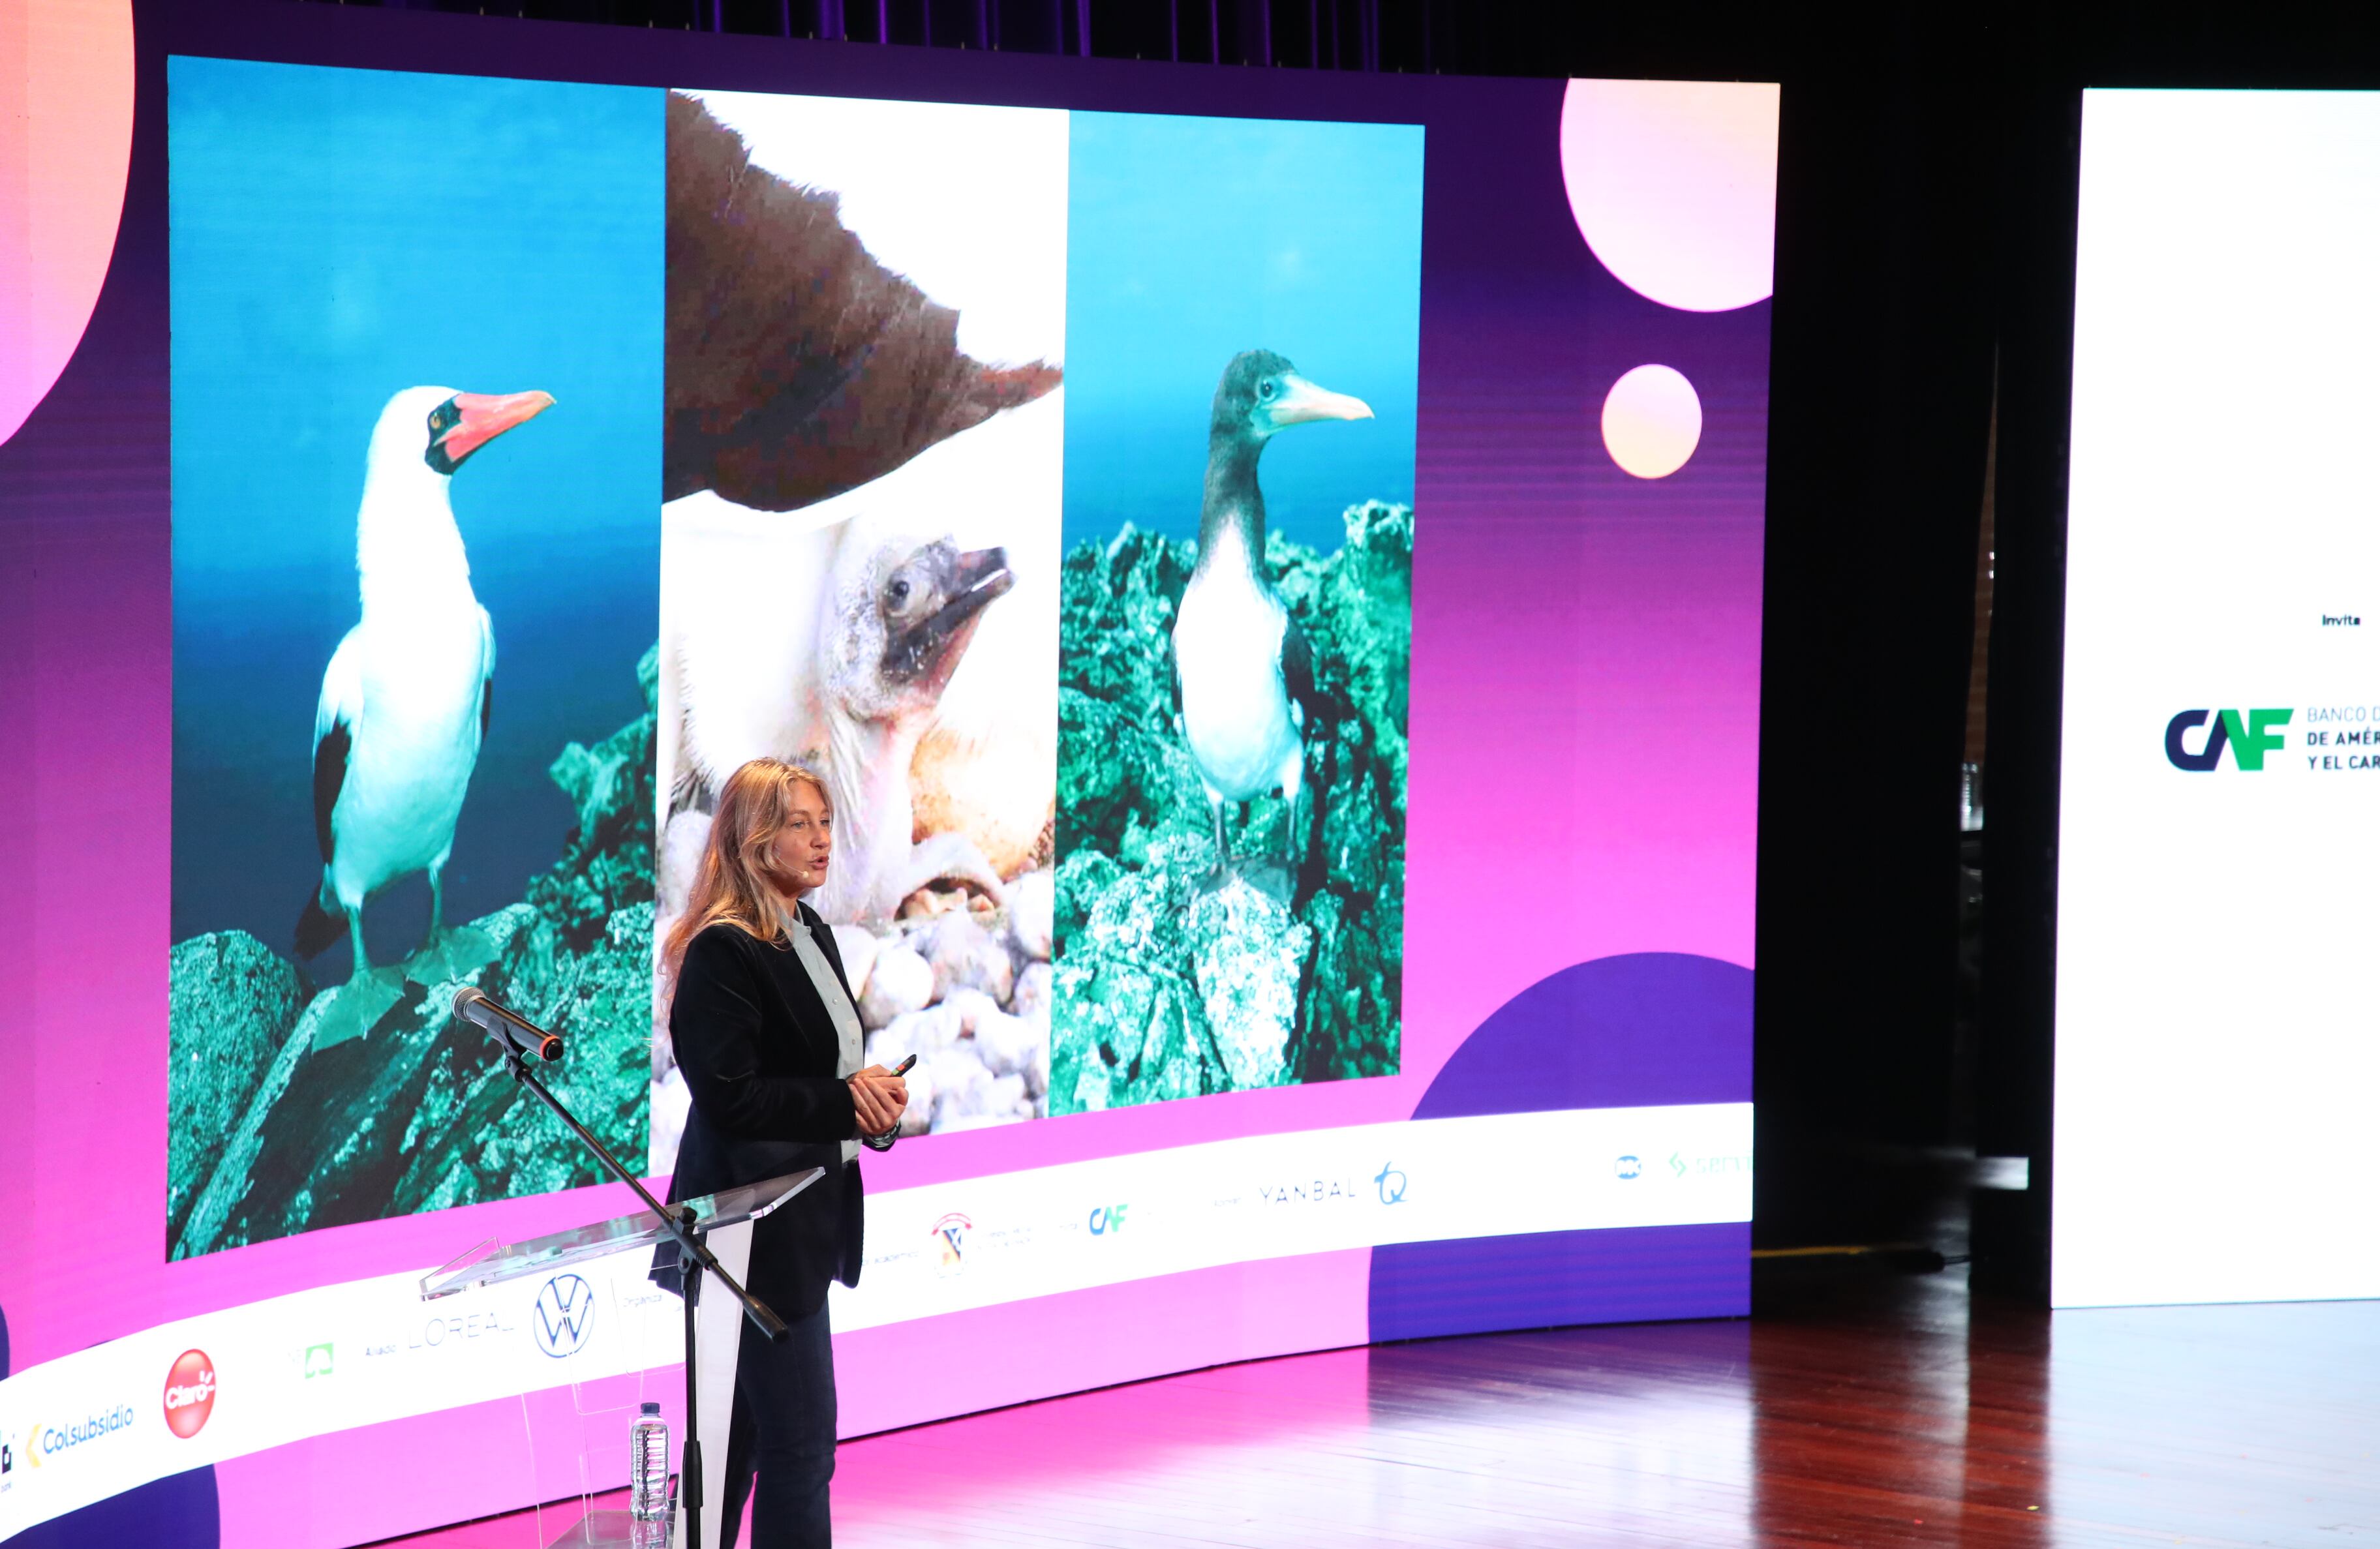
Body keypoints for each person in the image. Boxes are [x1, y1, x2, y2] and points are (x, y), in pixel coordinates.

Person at [660, 757, 908, 1548]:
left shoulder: (808, 931)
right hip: (745, 1235)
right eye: (799, 822)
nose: (821, 838)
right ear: (751, 835)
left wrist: (869, 1108)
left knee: (736, 1448)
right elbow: (732, 1094)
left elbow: (825, 1073)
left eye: (825, 821)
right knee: (793, 1445)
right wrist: (843, 1100)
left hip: (797, 1226)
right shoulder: (722, 952)